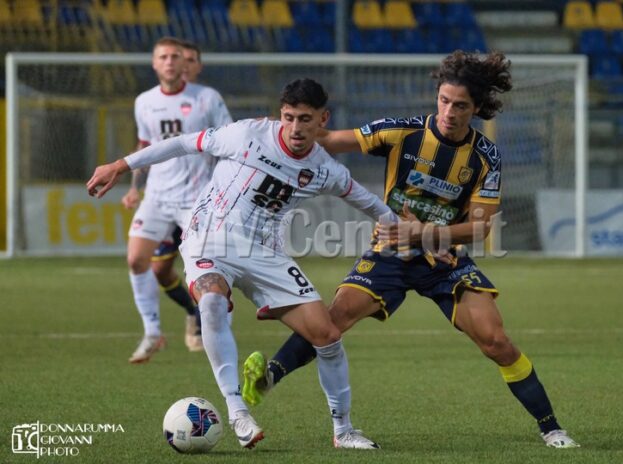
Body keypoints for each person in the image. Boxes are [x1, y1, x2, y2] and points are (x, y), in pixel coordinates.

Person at [242, 50, 580, 449]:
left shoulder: (486, 157)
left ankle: (551, 427)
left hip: (446, 261)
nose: (449, 111)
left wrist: (423, 234)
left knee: (496, 342)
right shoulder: (402, 132)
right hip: (389, 255)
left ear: (476, 109)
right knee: (332, 322)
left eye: (460, 106)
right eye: (443, 100)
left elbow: (479, 228)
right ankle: (268, 378)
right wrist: (279, 129)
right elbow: (330, 139)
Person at [87, 78, 392, 450]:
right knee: (212, 302)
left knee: (326, 335)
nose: (295, 128)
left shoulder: (326, 170)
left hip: (265, 252)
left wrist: (418, 236)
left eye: (305, 119)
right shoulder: (246, 134)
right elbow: (183, 143)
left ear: (322, 119)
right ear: (281, 114)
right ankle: (237, 410)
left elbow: (373, 205)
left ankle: (343, 432)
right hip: (209, 236)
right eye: (289, 117)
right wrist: (121, 164)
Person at [119, 37, 232, 363]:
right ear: (154, 63)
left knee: (205, 269)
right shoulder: (144, 102)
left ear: (186, 64)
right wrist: (134, 186)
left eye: (175, 57)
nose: (169, 62)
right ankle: (152, 332)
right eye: (163, 57)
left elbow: (228, 143)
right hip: (157, 195)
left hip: (197, 200)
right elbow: (145, 147)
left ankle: (213, 329)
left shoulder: (207, 98)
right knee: (136, 260)